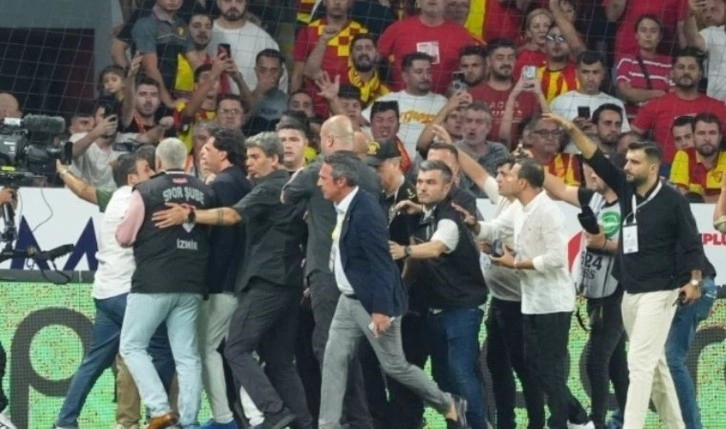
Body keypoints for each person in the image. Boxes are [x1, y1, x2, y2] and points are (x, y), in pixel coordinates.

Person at [546, 112, 703, 429]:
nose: (627, 167)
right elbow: (596, 159)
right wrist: (572, 130)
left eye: (634, 162)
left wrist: (695, 280)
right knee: (656, 368)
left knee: (639, 363)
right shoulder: (626, 191)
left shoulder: (673, 202)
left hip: (661, 290)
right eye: (626, 161)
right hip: (630, 290)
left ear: (653, 168)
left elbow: (691, 243)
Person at [153, 132, 312, 429]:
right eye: (248, 156)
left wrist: (189, 215)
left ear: (274, 159)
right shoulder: (291, 187)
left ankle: (272, 412)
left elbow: (232, 215)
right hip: (290, 281)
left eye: (256, 157)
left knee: (236, 348)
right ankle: (303, 423)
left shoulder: (270, 187)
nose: (248, 163)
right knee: (279, 361)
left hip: (265, 280)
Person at [315, 154, 468, 429]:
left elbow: (382, 264)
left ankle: (448, 403)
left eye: (323, 178)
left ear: (341, 181)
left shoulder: (365, 212)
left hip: (372, 302)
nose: (318, 183)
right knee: (333, 361)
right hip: (348, 300)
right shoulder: (345, 206)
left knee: (394, 365)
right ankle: (328, 425)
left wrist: (381, 309)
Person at [469, 157, 592, 429]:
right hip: (531, 301)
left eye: (508, 175)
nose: (502, 179)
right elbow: (495, 228)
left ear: (523, 182)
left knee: (551, 369)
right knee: (533, 366)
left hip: (553, 303)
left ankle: (564, 422)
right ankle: (577, 419)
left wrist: (516, 263)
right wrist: (474, 224)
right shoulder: (518, 209)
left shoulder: (549, 212)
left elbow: (557, 258)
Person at [281, 115, 380, 429]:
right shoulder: (371, 175)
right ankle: (359, 419)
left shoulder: (318, 171)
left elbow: (285, 194)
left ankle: (344, 421)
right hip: (362, 275)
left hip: (328, 271)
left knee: (329, 347)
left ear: (328, 141)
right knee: (345, 347)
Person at [116, 138, 215, 429]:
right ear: (187, 161)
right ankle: (189, 420)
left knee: (132, 346)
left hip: (153, 282)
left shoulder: (146, 190)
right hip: (192, 281)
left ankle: (159, 409)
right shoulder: (206, 192)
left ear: (157, 163)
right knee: (187, 355)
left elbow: (124, 237)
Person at [388, 159, 489, 428]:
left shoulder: (449, 218)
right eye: (420, 182)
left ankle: (479, 425)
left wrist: (404, 250)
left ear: (447, 187)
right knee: (444, 376)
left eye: (431, 182)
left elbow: (436, 247)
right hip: (438, 308)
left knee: (461, 372)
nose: (422, 187)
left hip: (461, 308)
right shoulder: (427, 214)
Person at [541, 154, 630, 429]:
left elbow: (640, 248)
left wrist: (605, 245)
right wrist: (530, 166)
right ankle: (629, 420)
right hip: (596, 291)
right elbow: (558, 189)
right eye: (589, 171)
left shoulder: (630, 205)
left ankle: (598, 422)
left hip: (616, 291)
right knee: (616, 363)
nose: (591, 175)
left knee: (595, 360)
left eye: (597, 171)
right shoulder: (594, 199)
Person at [195, 127, 251, 429]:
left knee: (207, 349)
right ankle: (248, 416)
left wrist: (212, 281)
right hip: (241, 281)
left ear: (224, 153)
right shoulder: (242, 181)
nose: (202, 154)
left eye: (208, 149)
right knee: (236, 352)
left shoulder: (225, 184)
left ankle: (223, 419)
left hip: (225, 283)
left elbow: (225, 240)